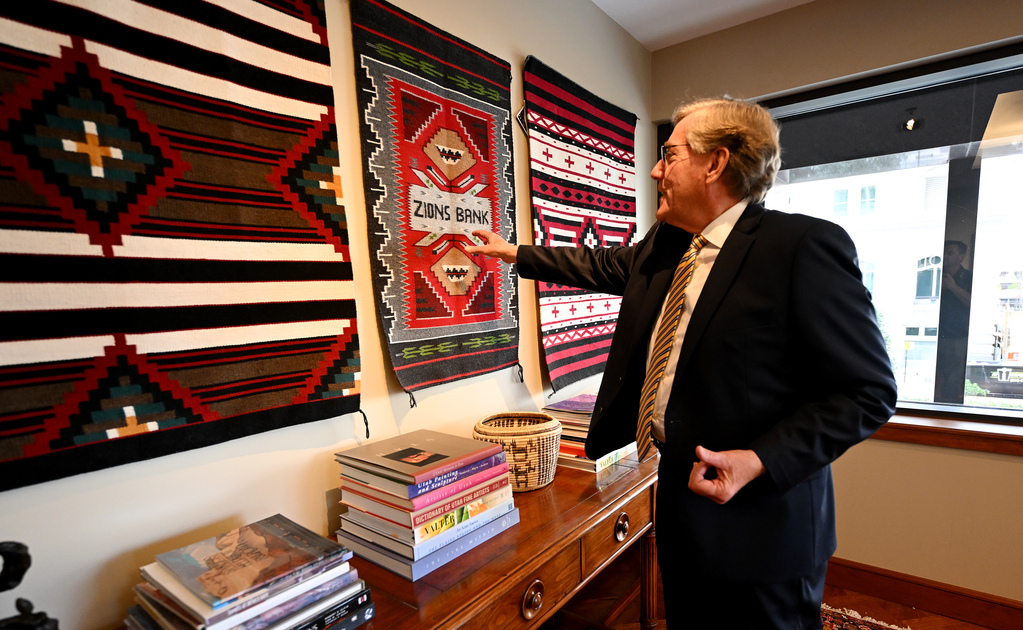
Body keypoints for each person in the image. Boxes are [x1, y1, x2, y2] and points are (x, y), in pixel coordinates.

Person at [467, 97, 897, 629]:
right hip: (678, 506)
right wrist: (512, 253)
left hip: (762, 529)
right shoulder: (666, 246)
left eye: (668, 155)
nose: (654, 170)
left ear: (714, 163)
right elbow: (598, 264)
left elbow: (867, 391)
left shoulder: (800, 247)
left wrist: (758, 459)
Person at [935, 240, 973, 402]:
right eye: (943, 252)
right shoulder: (935, 275)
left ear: (961, 256)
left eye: (950, 253)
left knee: (953, 376)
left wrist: (953, 287)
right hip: (935, 333)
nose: (945, 256)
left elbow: (972, 303)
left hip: (957, 335)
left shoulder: (970, 277)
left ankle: (947, 411)